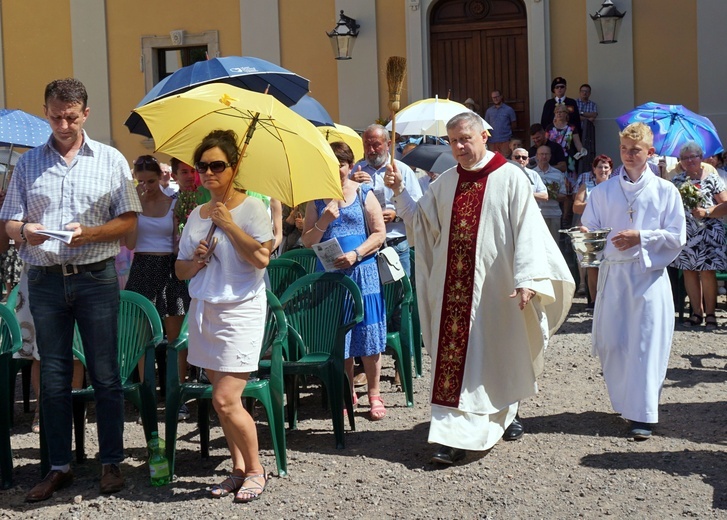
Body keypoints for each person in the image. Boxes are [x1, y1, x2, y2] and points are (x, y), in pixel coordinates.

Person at [384, 111, 574, 464]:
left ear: (484, 136)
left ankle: (505, 413)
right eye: (453, 141)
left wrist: (528, 279)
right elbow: (421, 225)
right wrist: (398, 192)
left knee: (498, 355)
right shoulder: (444, 183)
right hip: (451, 288)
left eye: (464, 139)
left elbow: (529, 232)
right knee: (458, 361)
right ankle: (454, 436)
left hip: (496, 288)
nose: (458, 147)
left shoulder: (510, 178)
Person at [0, 78, 141, 501]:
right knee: (55, 377)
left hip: (95, 276)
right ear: (46, 110)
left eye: (71, 116)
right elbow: (7, 224)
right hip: (44, 280)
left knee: (105, 373)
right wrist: (26, 230)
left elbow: (130, 221)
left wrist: (91, 233)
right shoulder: (27, 165)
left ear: (86, 113)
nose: (62, 123)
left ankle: (111, 461)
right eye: (55, 115)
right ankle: (57, 465)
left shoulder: (112, 160)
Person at [175, 129, 273, 503]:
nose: (209, 172)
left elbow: (262, 260)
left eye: (218, 165)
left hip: (241, 310)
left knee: (226, 399)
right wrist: (197, 260)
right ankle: (236, 468)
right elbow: (180, 271)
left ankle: (255, 470)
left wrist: (230, 225)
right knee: (221, 400)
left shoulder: (252, 209)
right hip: (205, 309)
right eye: (202, 166)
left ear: (234, 168)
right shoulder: (198, 214)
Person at [580, 122, 686, 440]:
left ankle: (643, 414)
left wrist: (642, 236)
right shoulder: (602, 192)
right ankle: (625, 402)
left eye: (635, 150)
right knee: (613, 342)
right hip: (614, 276)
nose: (628, 155)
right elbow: (591, 228)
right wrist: (587, 236)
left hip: (648, 277)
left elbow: (676, 236)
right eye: (624, 149)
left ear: (650, 153)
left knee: (645, 345)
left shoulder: (666, 192)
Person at [302, 141, 388, 418]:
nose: (336, 168)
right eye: (330, 162)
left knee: (368, 334)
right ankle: (347, 391)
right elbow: (306, 241)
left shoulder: (363, 191)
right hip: (330, 276)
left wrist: (355, 254)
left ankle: (374, 394)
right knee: (341, 337)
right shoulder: (315, 199)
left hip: (363, 271)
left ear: (351, 166)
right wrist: (324, 220)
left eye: (340, 163)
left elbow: (378, 233)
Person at [124, 155, 191, 420]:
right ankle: (147, 396)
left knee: (176, 338)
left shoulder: (174, 202)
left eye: (151, 181)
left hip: (169, 267)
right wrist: (135, 208)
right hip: (141, 266)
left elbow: (179, 241)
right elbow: (129, 244)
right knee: (143, 340)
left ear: (161, 178)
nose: (147, 186)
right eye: (141, 182)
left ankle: (179, 396)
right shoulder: (133, 205)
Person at [669, 142, 727, 330]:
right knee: (689, 271)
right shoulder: (677, 182)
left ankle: (710, 314)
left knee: (708, 272)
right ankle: (697, 313)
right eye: (685, 158)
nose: (689, 160)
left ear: (701, 158)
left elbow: (725, 205)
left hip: (710, 233)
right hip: (687, 234)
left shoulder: (713, 179)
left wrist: (707, 212)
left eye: (693, 156)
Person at [351, 124, 423, 277]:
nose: (371, 150)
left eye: (376, 145)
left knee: (400, 295)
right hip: (366, 245)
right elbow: (344, 203)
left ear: (388, 144)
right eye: (367, 145)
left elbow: (418, 208)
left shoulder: (402, 170)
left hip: (395, 242)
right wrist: (351, 184)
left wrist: (395, 215)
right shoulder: (357, 170)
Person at [572, 154, 614, 304]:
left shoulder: (616, 187)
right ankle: (595, 303)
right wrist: (594, 203)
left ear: (610, 170)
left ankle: (609, 302)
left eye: (606, 167)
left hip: (610, 230)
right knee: (592, 267)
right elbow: (576, 207)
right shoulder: (587, 186)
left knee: (611, 266)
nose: (602, 170)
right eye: (599, 167)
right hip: (590, 231)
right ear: (594, 169)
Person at [533, 146, 567, 243]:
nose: (544, 156)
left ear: (550, 156)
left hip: (554, 215)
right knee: (538, 244)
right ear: (537, 156)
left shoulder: (558, 174)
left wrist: (550, 194)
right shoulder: (532, 173)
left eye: (546, 154)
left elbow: (563, 196)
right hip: (537, 215)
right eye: (541, 154)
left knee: (554, 244)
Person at [484, 90, 517, 156]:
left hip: (505, 141)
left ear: (501, 97)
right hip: (492, 141)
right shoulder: (489, 111)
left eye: (497, 97)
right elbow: (485, 125)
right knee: (493, 161)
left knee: (505, 160)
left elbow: (514, 124)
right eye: (493, 97)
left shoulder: (509, 110)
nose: (495, 99)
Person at [576, 84, 598, 172]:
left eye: (587, 91)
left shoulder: (593, 104)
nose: (584, 93)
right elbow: (576, 116)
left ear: (589, 93)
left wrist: (581, 114)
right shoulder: (575, 102)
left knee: (588, 153)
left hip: (587, 134)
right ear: (580, 92)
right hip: (577, 132)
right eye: (583, 91)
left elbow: (594, 115)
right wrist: (586, 117)